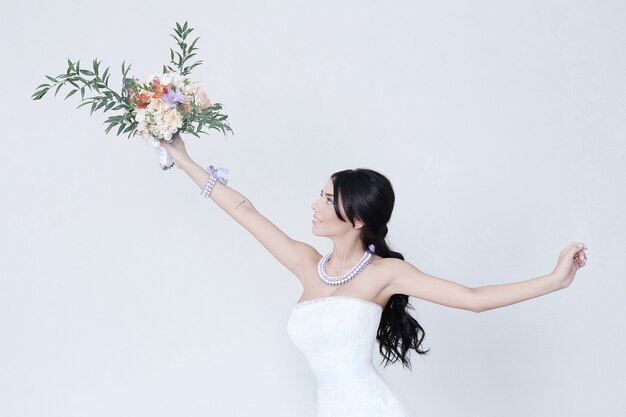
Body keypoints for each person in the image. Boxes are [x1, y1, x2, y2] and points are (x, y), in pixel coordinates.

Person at [161, 134, 588, 417]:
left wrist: (552, 280)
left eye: (327, 200)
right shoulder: (308, 264)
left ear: (358, 216)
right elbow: (246, 212)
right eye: (321, 195)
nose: (315, 204)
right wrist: (184, 161)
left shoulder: (387, 274)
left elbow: (472, 298)